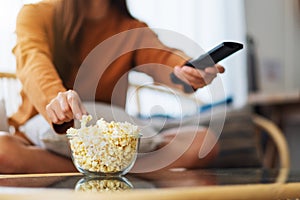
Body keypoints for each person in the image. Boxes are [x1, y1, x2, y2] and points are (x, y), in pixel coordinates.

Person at [0, 0, 224, 173]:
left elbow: (163, 57)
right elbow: (32, 60)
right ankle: (115, 172)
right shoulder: (37, 14)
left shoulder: (131, 29)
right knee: (2, 150)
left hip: (114, 144)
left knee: (202, 142)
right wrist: (56, 98)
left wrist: (188, 70)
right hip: (39, 141)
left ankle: (95, 170)